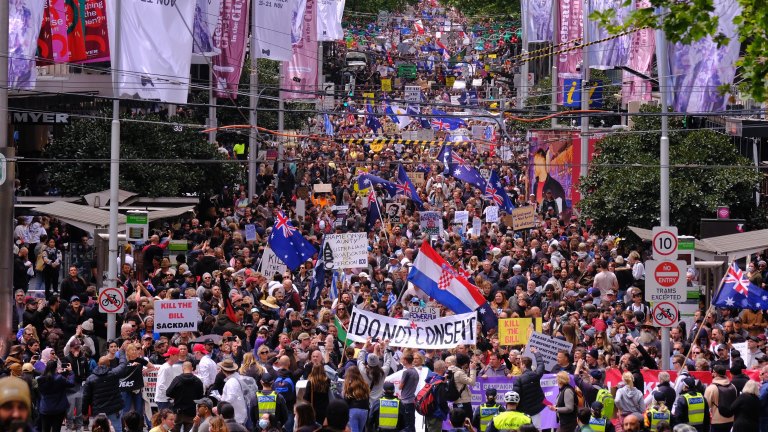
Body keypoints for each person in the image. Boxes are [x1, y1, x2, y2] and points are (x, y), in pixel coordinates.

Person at [82, 356, 128, 432]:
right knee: (117, 429)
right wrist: (122, 353)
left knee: (99, 430)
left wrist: (85, 412)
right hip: (114, 410)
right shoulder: (114, 373)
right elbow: (123, 366)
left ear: (98, 364)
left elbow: (86, 397)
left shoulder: (90, 379)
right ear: (109, 364)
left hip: (98, 411)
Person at [37, 360, 75, 432]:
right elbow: (71, 383)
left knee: (45, 429)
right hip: (59, 408)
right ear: (55, 368)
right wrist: (71, 372)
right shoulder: (60, 378)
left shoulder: (40, 379)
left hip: (45, 408)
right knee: (56, 429)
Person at [166, 361, 205, 432]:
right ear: (192, 368)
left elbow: (168, 393)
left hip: (178, 412)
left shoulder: (177, 379)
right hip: (192, 413)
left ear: (182, 368)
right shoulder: (198, 381)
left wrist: (176, 396)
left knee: (174, 429)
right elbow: (201, 398)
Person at [512, 348, 545, 428]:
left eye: (520, 363)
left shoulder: (519, 379)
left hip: (523, 412)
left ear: (523, 365)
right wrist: (536, 352)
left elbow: (515, 396)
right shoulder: (536, 375)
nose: (519, 365)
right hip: (537, 410)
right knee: (536, 429)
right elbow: (541, 364)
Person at [703, 365, 736, 432]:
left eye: (713, 372)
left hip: (717, 420)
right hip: (731, 419)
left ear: (715, 373)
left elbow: (706, 405)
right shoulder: (733, 386)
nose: (712, 373)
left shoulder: (711, 388)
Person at [218, 359, 249, 426]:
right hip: (238, 415)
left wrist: (221, 406)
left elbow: (230, 399)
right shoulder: (237, 378)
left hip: (236, 417)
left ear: (223, 370)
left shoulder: (231, 382)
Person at [450, 353, 477, 422]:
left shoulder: (452, 370)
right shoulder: (459, 373)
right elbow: (472, 382)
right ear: (464, 363)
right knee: (467, 422)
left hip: (457, 401)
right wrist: (473, 369)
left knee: (458, 422)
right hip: (463, 401)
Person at [343, 366, 371, 432]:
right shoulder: (364, 384)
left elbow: (346, 400)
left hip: (353, 410)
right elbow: (368, 398)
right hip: (364, 410)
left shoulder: (349, 384)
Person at [399, 352, 419, 432]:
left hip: (405, 401)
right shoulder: (415, 371)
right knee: (411, 423)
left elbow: (400, 386)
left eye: (403, 360)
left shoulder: (406, 372)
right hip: (412, 400)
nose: (402, 361)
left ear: (406, 361)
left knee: (406, 424)